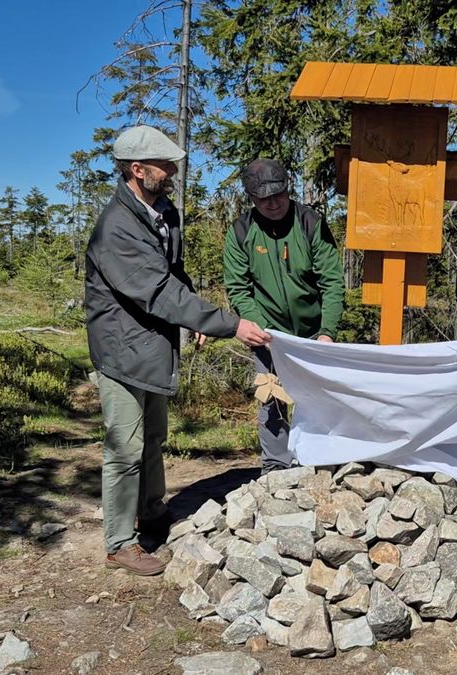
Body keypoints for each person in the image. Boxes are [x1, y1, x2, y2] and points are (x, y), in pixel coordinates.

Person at [85, 125, 270, 576]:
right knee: (125, 448)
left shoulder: (163, 212)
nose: (173, 171)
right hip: (121, 350)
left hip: (151, 346)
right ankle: (119, 542)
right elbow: (157, 292)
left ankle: (151, 511)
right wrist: (226, 323)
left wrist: (193, 319)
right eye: (164, 165)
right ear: (137, 169)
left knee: (152, 439)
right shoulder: (118, 228)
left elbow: (174, 274)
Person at [223, 158, 345, 474]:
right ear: (251, 197)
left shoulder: (309, 223)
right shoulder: (240, 231)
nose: (273, 203)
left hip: (314, 334)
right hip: (268, 335)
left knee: (320, 399)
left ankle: (321, 462)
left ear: (287, 189)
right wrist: (259, 329)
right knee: (271, 399)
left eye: (279, 194)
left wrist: (327, 331)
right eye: (264, 198)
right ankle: (276, 468)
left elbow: (332, 281)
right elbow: (238, 287)